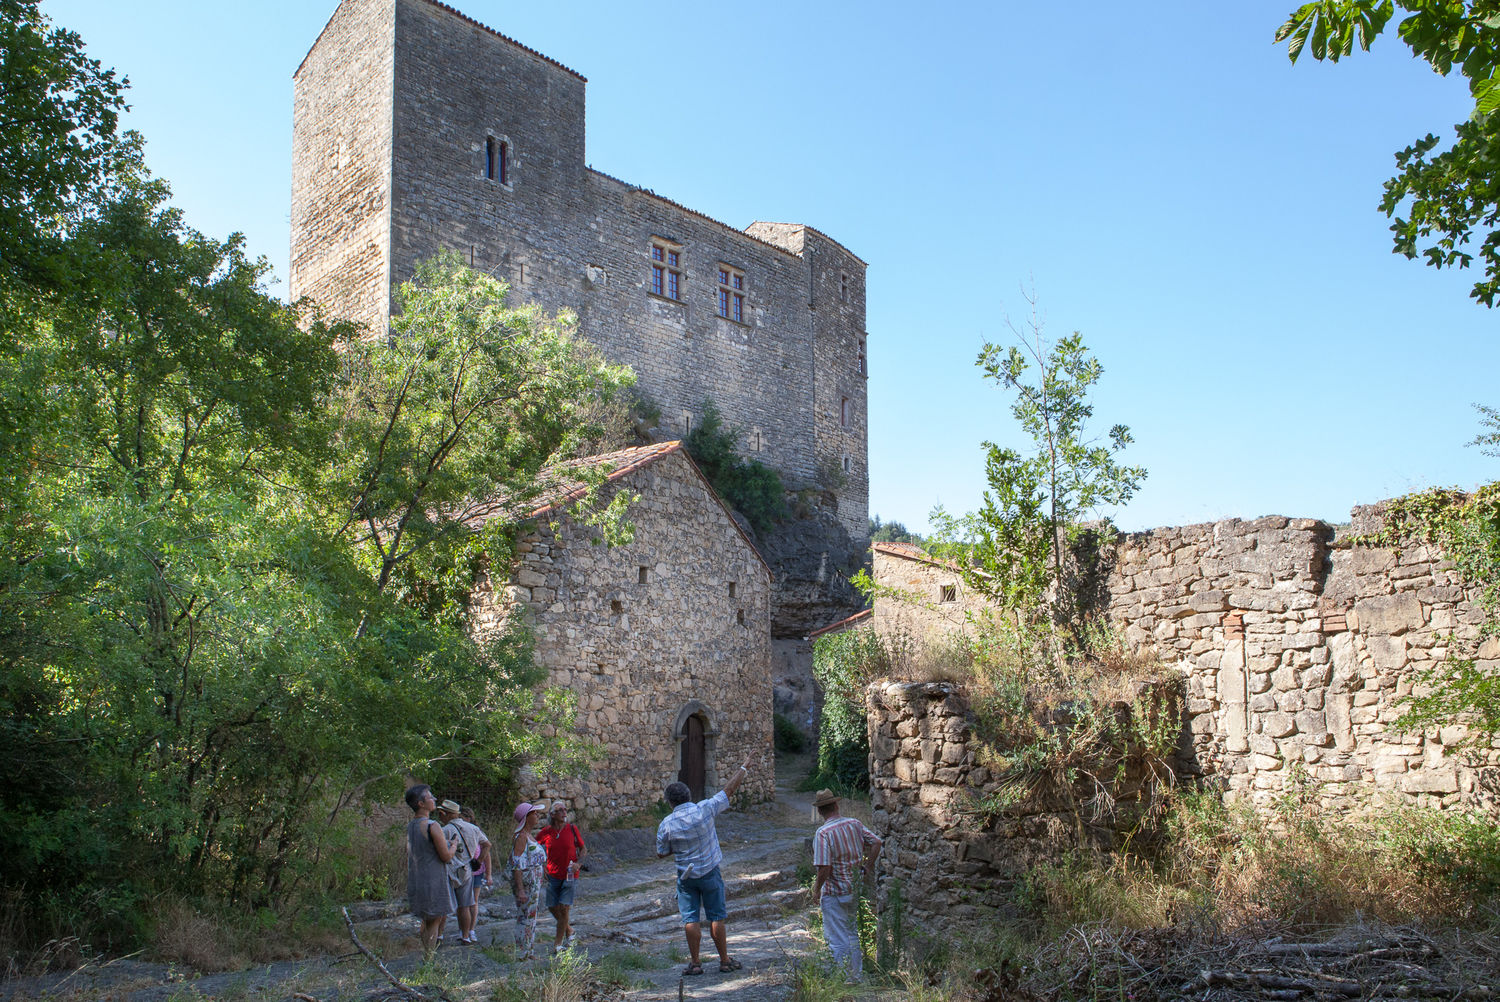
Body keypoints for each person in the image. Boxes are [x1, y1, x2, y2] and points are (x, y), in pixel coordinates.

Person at [655, 752, 753, 977]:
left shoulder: (666, 824)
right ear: (689, 796)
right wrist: (744, 767)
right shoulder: (704, 809)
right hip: (710, 872)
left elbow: (660, 853)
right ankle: (725, 960)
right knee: (716, 916)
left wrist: (678, 848)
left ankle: (696, 962)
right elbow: (728, 790)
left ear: (669, 802)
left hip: (685, 878)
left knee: (690, 918)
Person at [809, 788, 882, 982]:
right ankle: (855, 975)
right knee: (851, 934)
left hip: (834, 892)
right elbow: (876, 842)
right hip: (854, 888)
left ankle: (842, 978)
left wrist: (816, 890)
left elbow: (824, 867)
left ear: (820, 811)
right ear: (836, 805)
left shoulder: (823, 833)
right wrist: (866, 867)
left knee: (837, 938)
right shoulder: (854, 824)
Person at [403, 784, 457, 957]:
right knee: (434, 920)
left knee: (426, 920)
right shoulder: (432, 825)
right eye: (430, 797)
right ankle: (429, 959)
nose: (434, 799)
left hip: (417, 878)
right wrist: (454, 845)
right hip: (434, 879)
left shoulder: (411, 825)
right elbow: (446, 856)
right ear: (421, 803)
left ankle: (427, 957)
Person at [436, 799, 491, 945]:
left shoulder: (445, 830)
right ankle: (465, 935)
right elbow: (487, 844)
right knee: (465, 905)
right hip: (467, 870)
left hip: (449, 870)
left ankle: (439, 935)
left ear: (446, 814)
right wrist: (478, 861)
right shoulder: (473, 828)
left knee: (444, 906)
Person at [536, 801, 586, 954]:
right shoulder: (546, 832)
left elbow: (583, 848)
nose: (564, 812)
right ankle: (569, 930)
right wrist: (542, 863)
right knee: (552, 906)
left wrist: (579, 863)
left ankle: (558, 944)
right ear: (552, 815)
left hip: (570, 874)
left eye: (565, 810)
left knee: (564, 907)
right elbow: (534, 846)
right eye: (560, 810)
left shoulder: (572, 829)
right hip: (553, 874)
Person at [501, 802, 548, 961]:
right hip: (526, 884)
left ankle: (529, 949)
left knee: (531, 915)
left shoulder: (528, 835)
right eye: (534, 814)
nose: (538, 816)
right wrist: (520, 888)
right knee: (525, 915)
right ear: (526, 818)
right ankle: (522, 951)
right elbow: (517, 863)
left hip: (533, 882)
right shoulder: (521, 837)